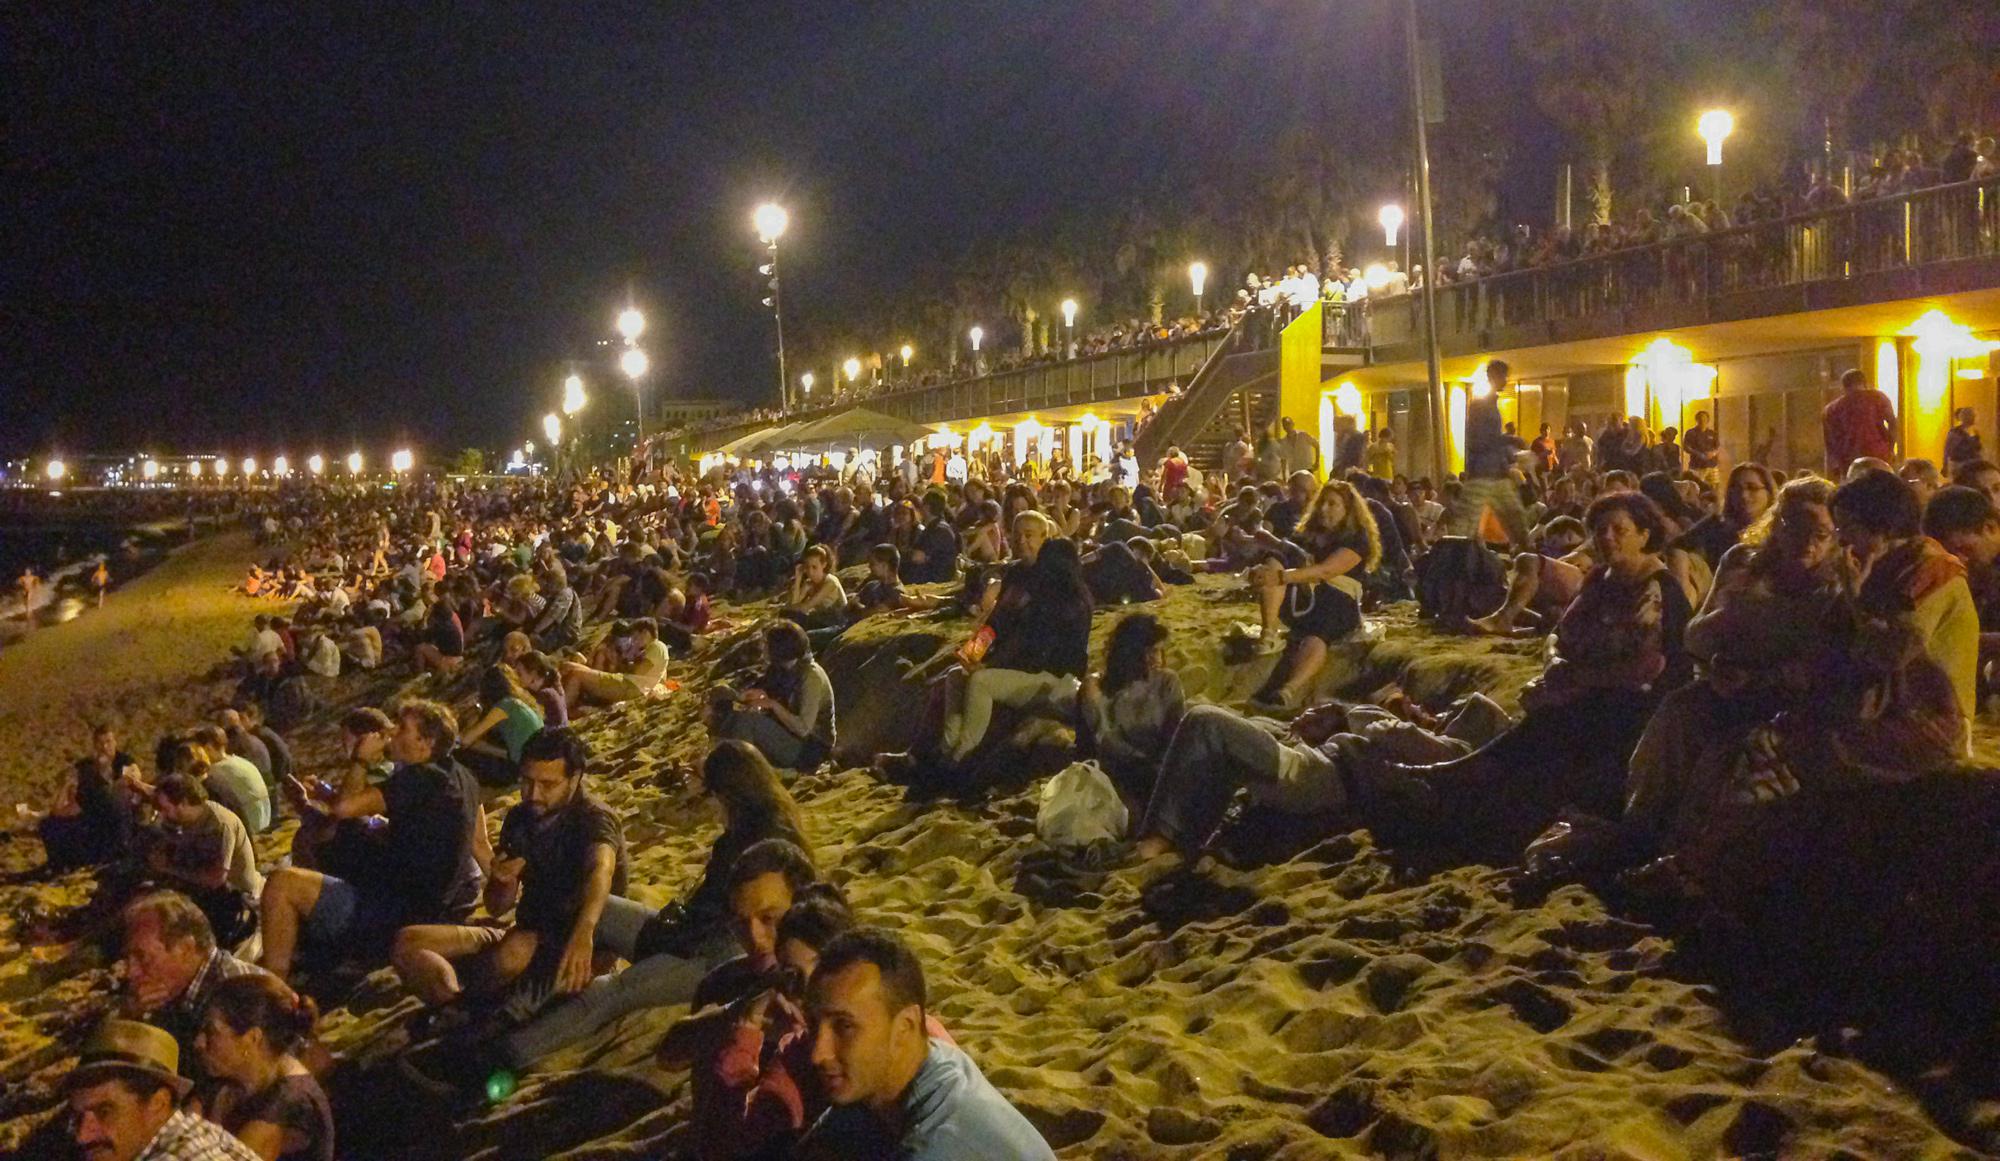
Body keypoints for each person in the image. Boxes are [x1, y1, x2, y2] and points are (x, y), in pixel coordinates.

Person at [485, 742, 813, 1072]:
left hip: (711, 953)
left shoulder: (767, 845)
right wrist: (586, 934)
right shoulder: (741, 830)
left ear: (727, 792)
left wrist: (665, 947)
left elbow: (740, 925)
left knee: (613, 991)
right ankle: (517, 1007)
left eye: (706, 788)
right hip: (685, 931)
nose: (703, 797)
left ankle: (507, 1054)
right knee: (594, 910)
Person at [392, 728, 626, 1019]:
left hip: (577, 941)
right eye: (527, 781)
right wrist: (502, 880)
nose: (533, 794)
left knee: (512, 953)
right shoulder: (520, 817)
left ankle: (465, 1010)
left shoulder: (592, 818)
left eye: (547, 784)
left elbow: (601, 868)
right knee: (408, 941)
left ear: (575, 778)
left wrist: (583, 932)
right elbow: (498, 905)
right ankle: (453, 1005)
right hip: (524, 931)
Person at [258, 700, 484, 981]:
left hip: (402, 912)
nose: (390, 731)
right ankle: (318, 939)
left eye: (402, 728)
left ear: (425, 742)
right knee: (332, 837)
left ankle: (272, 985)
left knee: (282, 882)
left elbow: (343, 809)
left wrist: (361, 759)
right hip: (436, 897)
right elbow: (461, 838)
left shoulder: (421, 777)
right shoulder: (461, 775)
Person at [799, 929, 1055, 1160]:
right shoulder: (932, 1063)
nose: (818, 1054)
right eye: (813, 1025)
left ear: (905, 1027)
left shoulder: (940, 1143)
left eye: (844, 1027)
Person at [1830, 468, 1979, 722]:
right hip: (1884, 714)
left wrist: (1854, 595)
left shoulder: (1933, 571)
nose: (1842, 540)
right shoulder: (1883, 566)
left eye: (1848, 527)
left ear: (1884, 528)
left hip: (1931, 721)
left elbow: (1890, 654)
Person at [941, 537, 1093, 766]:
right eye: (1018, 533)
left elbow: (1036, 649)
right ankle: (946, 748)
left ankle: (963, 753)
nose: (1024, 541)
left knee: (981, 680)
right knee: (955, 675)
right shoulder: (1020, 580)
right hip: (1020, 666)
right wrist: (971, 655)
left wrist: (989, 665)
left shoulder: (1065, 601)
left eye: (1030, 534)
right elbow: (997, 622)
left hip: (1052, 677)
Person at [1249, 479, 1380, 711]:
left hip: (1337, 599)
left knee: (1318, 633)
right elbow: (1286, 555)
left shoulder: (1357, 539)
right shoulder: (1308, 534)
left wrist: (1280, 578)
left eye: (1332, 504)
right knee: (1275, 559)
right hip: (1305, 596)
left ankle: (1288, 691)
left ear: (1348, 510)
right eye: (1322, 503)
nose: (1324, 509)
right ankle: (1268, 633)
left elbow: (1327, 570)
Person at [120, 890, 269, 1083]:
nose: (130, 972)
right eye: (128, 959)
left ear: (186, 949)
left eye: (142, 958)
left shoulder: (236, 996)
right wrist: (132, 1016)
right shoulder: (178, 987)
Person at [64, 1019, 262, 1161]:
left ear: (158, 1104)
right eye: (78, 1118)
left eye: (104, 1112)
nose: (83, 1135)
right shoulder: (192, 1132)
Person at [195, 974, 335, 1161]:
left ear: (253, 1038)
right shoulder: (225, 1079)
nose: (199, 1042)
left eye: (211, 1032)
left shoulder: (292, 1104)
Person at [146, 774, 264, 949]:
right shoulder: (188, 819)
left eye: (166, 808)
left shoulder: (218, 824)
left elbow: (216, 879)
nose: (163, 815)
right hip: (202, 880)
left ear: (184, 802)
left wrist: (169, 869)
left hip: (234, 894)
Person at [1078, 612, 1185, 790]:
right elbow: (1105, 739)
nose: (1151, 659)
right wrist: (1144, 762)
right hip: (1118, 773)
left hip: (1160, 768)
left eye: (1155, 651)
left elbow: (1175, 733)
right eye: (1144, 653)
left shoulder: (1166, 681)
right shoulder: (1097, 687)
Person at [713, 620, 837, 771]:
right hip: (791, 737)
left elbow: (804, 728)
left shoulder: (811, 677)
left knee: (747, 722)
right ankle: (728, 766)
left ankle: (741, 771)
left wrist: (772, 704)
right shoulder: (784, 670)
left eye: (766, 644)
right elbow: (778, 695)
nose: (763, 648)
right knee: (733, 717)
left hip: (811, 749)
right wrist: (761, 695)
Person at [1448, 361, 1531, 548]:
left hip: (1495, 474)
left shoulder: (1489, 404)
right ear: (1494, 376)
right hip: (1482, 475)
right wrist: (1510, 440)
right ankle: (1455, 562)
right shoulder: (1481, 405)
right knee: (1465, 528)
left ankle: (1528, 558)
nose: (1506, 380)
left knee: (1516, 519)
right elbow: (1481, 440)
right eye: (1503, 375)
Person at [39, 723, 138, 872]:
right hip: (109, 830)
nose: (105, 746)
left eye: (108, 742)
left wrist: (67, 788)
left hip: (106, 836)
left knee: (51, 824)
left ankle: (60, 864)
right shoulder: (89, 771)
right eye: (100, 743)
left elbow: (60, 811)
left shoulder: (123, 763)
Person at [454, 663, 545, 786]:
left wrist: (474, 711)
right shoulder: (517, 703)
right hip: (528, 761)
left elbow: (465, 740)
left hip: (519, 770)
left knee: (459, 754)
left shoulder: (504, 707)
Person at [1672, 463, 1775, 569]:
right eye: (1736, 488)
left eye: (1752, 488)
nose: (1743, 495)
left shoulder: (1780, 528)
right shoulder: (1716, 525)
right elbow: (1676, 547)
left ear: (1769, 492)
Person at [561, 617, 669, 709]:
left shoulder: (657, 647)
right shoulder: (650, 649)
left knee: (576, 673)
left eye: (636, 636)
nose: (636, 640)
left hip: (630, 686)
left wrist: (616, 662)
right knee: (572, 669)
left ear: (645, 632)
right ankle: (560, 703)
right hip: (626, 682)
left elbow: (639, 670)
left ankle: (559, 709)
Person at [190, 726, 271, 834]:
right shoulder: (239, 761)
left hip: (251, 824)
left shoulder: (216, 771)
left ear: (208, 748)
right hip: (264, 817)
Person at [1821, 367, 1895, 477]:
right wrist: (1890, 448)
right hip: (1878, 454)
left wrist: (1834, 465)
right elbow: (1893, 423)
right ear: (1865, 383)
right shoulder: (1878, 397)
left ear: (1844, 387)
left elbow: (1830, 443)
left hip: (1848, 459)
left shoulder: (1831, 409)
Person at [1945, 407, 1984, 475]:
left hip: (1974, 466)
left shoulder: (1975, 432)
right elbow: (1949, 450)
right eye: (1973, 416)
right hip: (1960, 466)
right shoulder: (1956, 432)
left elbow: (1978, 448)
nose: (1975, 418)